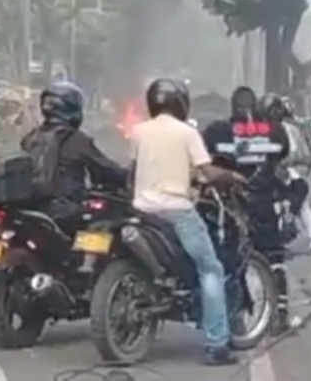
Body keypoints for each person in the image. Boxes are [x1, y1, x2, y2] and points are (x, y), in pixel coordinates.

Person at [131, 78, 245, 366]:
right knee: (211, 269)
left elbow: (141, 167)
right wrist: (234, 177)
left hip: (142, 211)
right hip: (177, 211)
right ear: (180, 102)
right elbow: (208, 172)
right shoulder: (187, 132)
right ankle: (217, 344)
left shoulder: (139, 131)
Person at [203, 86, 293, 334]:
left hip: (231, 204)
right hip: (266, 202)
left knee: (232, 258)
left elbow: (206, 160)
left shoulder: (217, 131)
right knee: (274, 257)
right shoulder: (276, 131)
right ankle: (280, 314)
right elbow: (283, 155)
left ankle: (237, 318)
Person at [20, 80, 127, 227]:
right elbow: (104, 167)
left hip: (31, 209)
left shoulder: (30, 138)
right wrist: (127, 176)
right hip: (65, 212)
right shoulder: (76, 140)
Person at [263, 95, 311, 254]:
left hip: (273, 176)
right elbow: (297, 153)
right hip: (288, 175)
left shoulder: (261, 129)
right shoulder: (288, 129)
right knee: (303, 206)